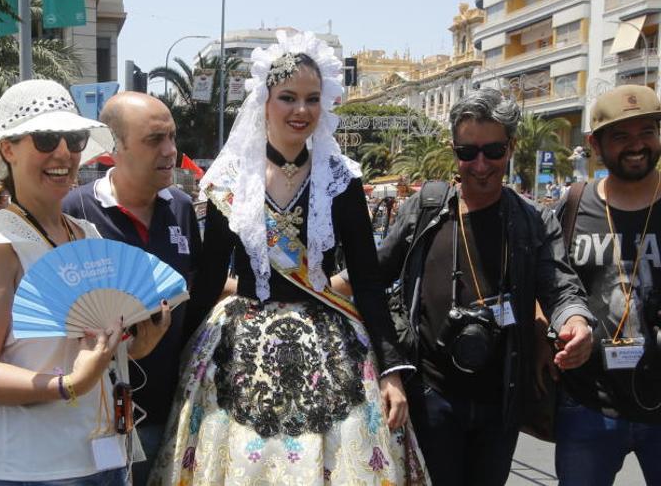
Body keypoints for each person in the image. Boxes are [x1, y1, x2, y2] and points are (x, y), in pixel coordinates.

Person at [149, 31, 427, 485]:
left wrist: (391, 371)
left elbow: (368, 280)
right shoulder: (230, 180)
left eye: (312, 99)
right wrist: (177, 354)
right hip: (241, 343)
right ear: (264, 101)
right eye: (288, 97)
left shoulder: (342, 179)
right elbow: (210, 277)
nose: (301, 110)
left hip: (332, 338)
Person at [0, 79, 170, 485]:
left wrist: (140, 344)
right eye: (48, 138)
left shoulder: (86, 233)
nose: (64, 153)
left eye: (74, 138)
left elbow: (94, 351)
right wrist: (67, 385)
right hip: (37, 468)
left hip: (107, 455)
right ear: (8, 149)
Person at [376, 87, 594, 485]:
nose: (480, 164)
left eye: (492, 151)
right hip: (430, 396)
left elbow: (561, 287)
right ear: (453, 149)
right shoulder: (426, 210)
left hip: (501, 401)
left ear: (510, 147)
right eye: (467, 152)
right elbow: (371, 281)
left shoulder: (533, 221)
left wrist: (576, 321)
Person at [62, 91, 202, 486]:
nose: (170, 151)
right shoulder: (75, 212)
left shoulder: (182, 207)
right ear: (114, 146)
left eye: (172, 137)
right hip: (98, 421)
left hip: (176, 412)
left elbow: (196, 285)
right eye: (154, 139)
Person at [553, 84, 661, 485]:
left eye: (647, 132)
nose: (637, 146)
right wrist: (563, 330)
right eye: (621, 136)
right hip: (588, 404)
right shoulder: (574, 204)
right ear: (594, 144)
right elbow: (549, 284)